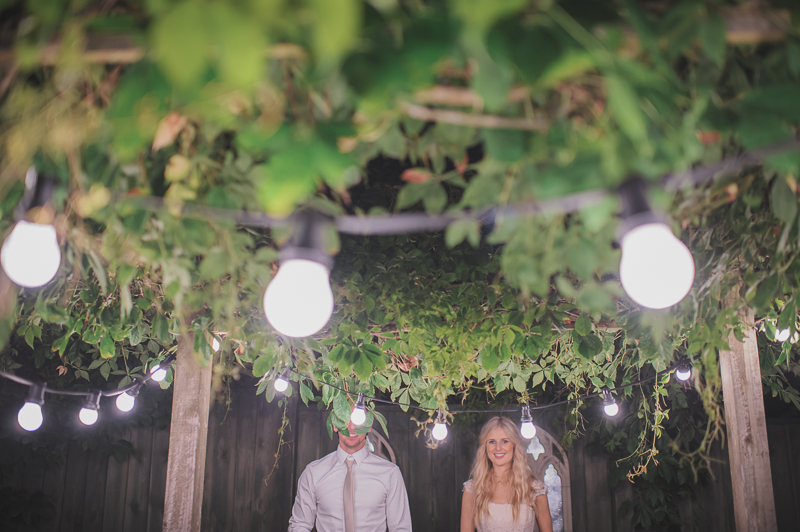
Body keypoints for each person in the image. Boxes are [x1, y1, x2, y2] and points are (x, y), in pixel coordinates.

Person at [288, 411, 412, 532]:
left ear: (369, 425)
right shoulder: (313, 473)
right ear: (334, 424)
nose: (352, 427)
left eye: (358, 420)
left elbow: (401, 529)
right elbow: (300, 524)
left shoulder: (390, 474)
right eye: (345, 419)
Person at [460, 416, 553, 532]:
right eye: (492, 442)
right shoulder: (473, 489)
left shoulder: (535, 489)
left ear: (514, 445)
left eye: (504, 441)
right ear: (485, 447)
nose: (498, 448)